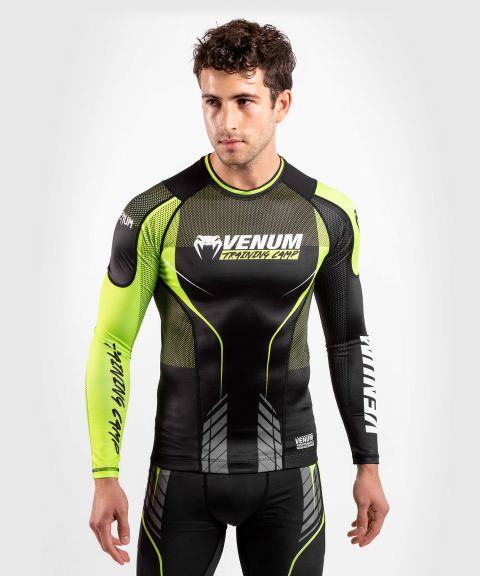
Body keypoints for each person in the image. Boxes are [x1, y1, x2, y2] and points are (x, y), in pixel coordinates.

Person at [85, 18, 389, 575]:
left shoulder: (328, 215)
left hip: (290, 476)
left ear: (282, 103)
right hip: (180, 476)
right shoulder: (153, 214)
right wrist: (105, 475)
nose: (226, 121)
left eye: (244, 101)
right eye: (212, 102)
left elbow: (349, 340)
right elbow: (112, 342)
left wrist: (367, 463)